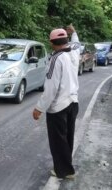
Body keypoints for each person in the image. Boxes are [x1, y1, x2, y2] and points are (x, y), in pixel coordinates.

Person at [32, 24, 80, 179]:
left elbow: (51, 88)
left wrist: (39, 108)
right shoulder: (73, 53)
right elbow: (77, 44)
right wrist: (74, 34)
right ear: (66, 41)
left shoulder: (56, 58)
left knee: (58, 141)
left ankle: (65, 171)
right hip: (73, 103)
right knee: (68, 138)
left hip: (59, 107)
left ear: (51, 43)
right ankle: (66, 167)